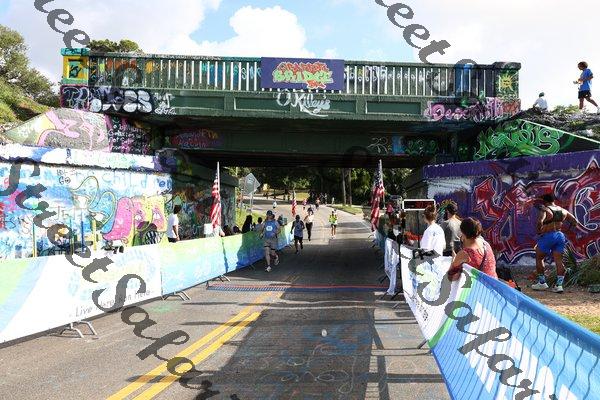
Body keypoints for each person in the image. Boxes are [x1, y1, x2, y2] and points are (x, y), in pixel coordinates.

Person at [532, 194, 583, 293]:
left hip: (548, 236)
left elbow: (540, 222)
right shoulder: (563, 210)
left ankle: (542, 283)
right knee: (559, 260)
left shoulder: (545, 210)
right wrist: (567, 230)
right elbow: (575, 221)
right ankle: (559, 286)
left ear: (545, 201)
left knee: (539, 258)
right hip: (560, 236)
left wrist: (539, 231)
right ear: (553, 201)